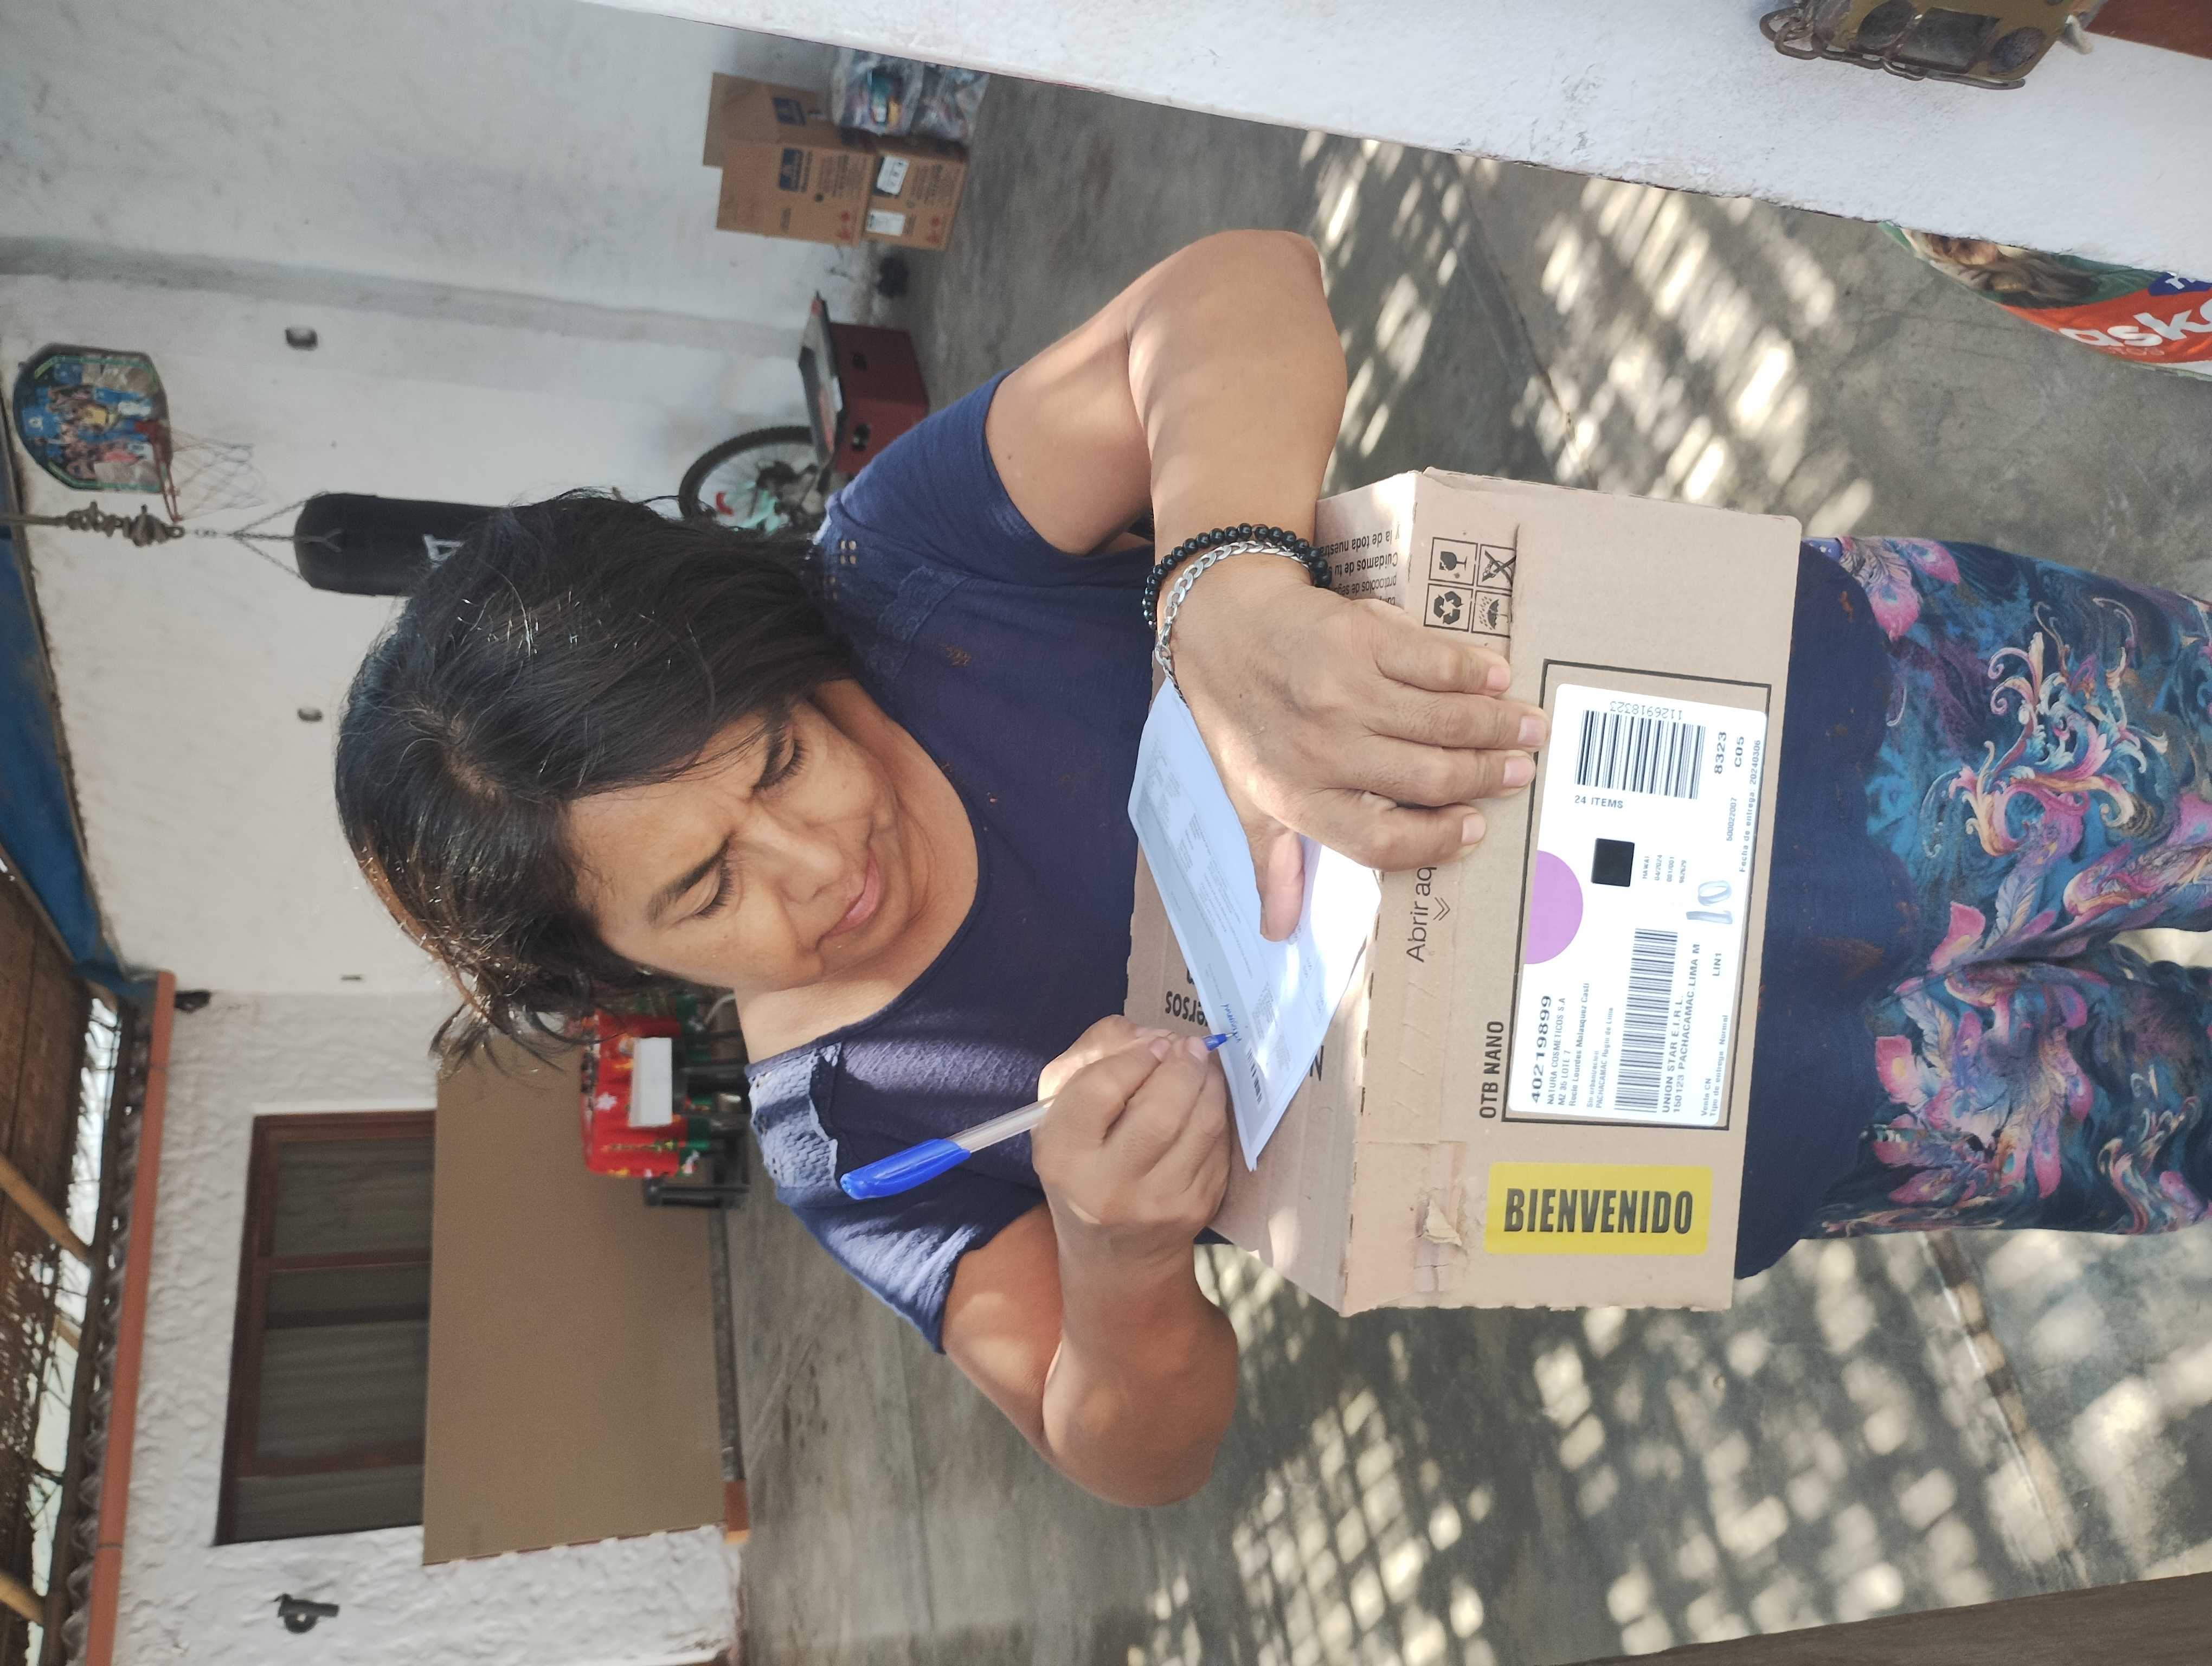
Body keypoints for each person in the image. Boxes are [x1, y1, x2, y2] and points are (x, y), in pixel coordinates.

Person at [337, 231, 2211, 1510]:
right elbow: (1125, 1456)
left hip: (1883, 731)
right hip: (1800, 1107)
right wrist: (1118, 1260)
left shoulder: (906, 576)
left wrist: (1223, 584)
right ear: (626, 965)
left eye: (778, 758)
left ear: (772, 655)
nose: (818, 858)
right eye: (702, 895)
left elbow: (1236, 290)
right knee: (2172, 1122)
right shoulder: (864, 1132)